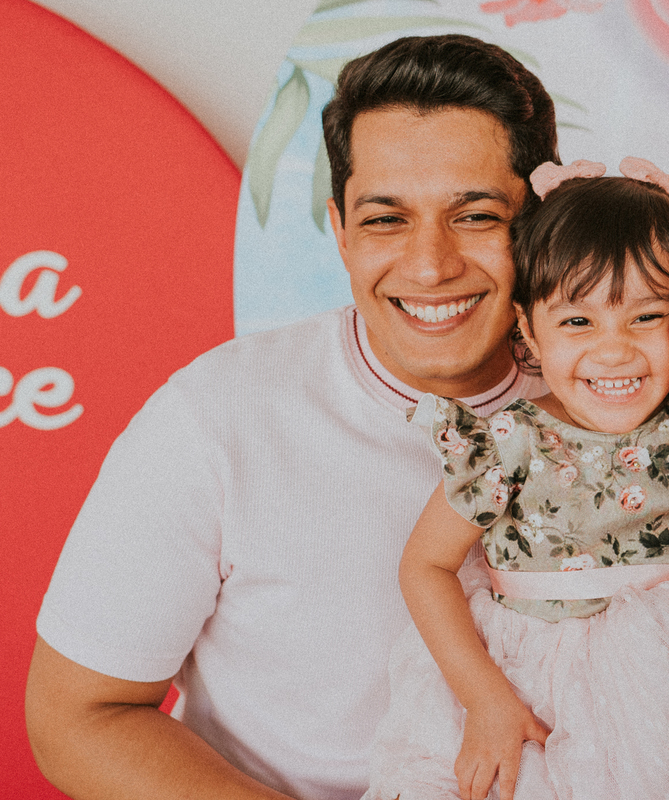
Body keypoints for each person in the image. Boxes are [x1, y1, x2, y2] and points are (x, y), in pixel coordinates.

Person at [26, 35, 557, 800]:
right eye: (386, 220)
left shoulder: (624, 401)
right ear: (340, 231)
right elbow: (75, 716)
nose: (430, 264)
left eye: (475, 215)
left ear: (540, 219)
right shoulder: (214, 417)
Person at [364, 158, 669, 800]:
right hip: (531, 680)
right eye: (578, 322)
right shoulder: (511, 439)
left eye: (648, 317)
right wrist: (486, 701)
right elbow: (424, 568)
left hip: (658, 676)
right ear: (528, 328)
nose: (614, 350)